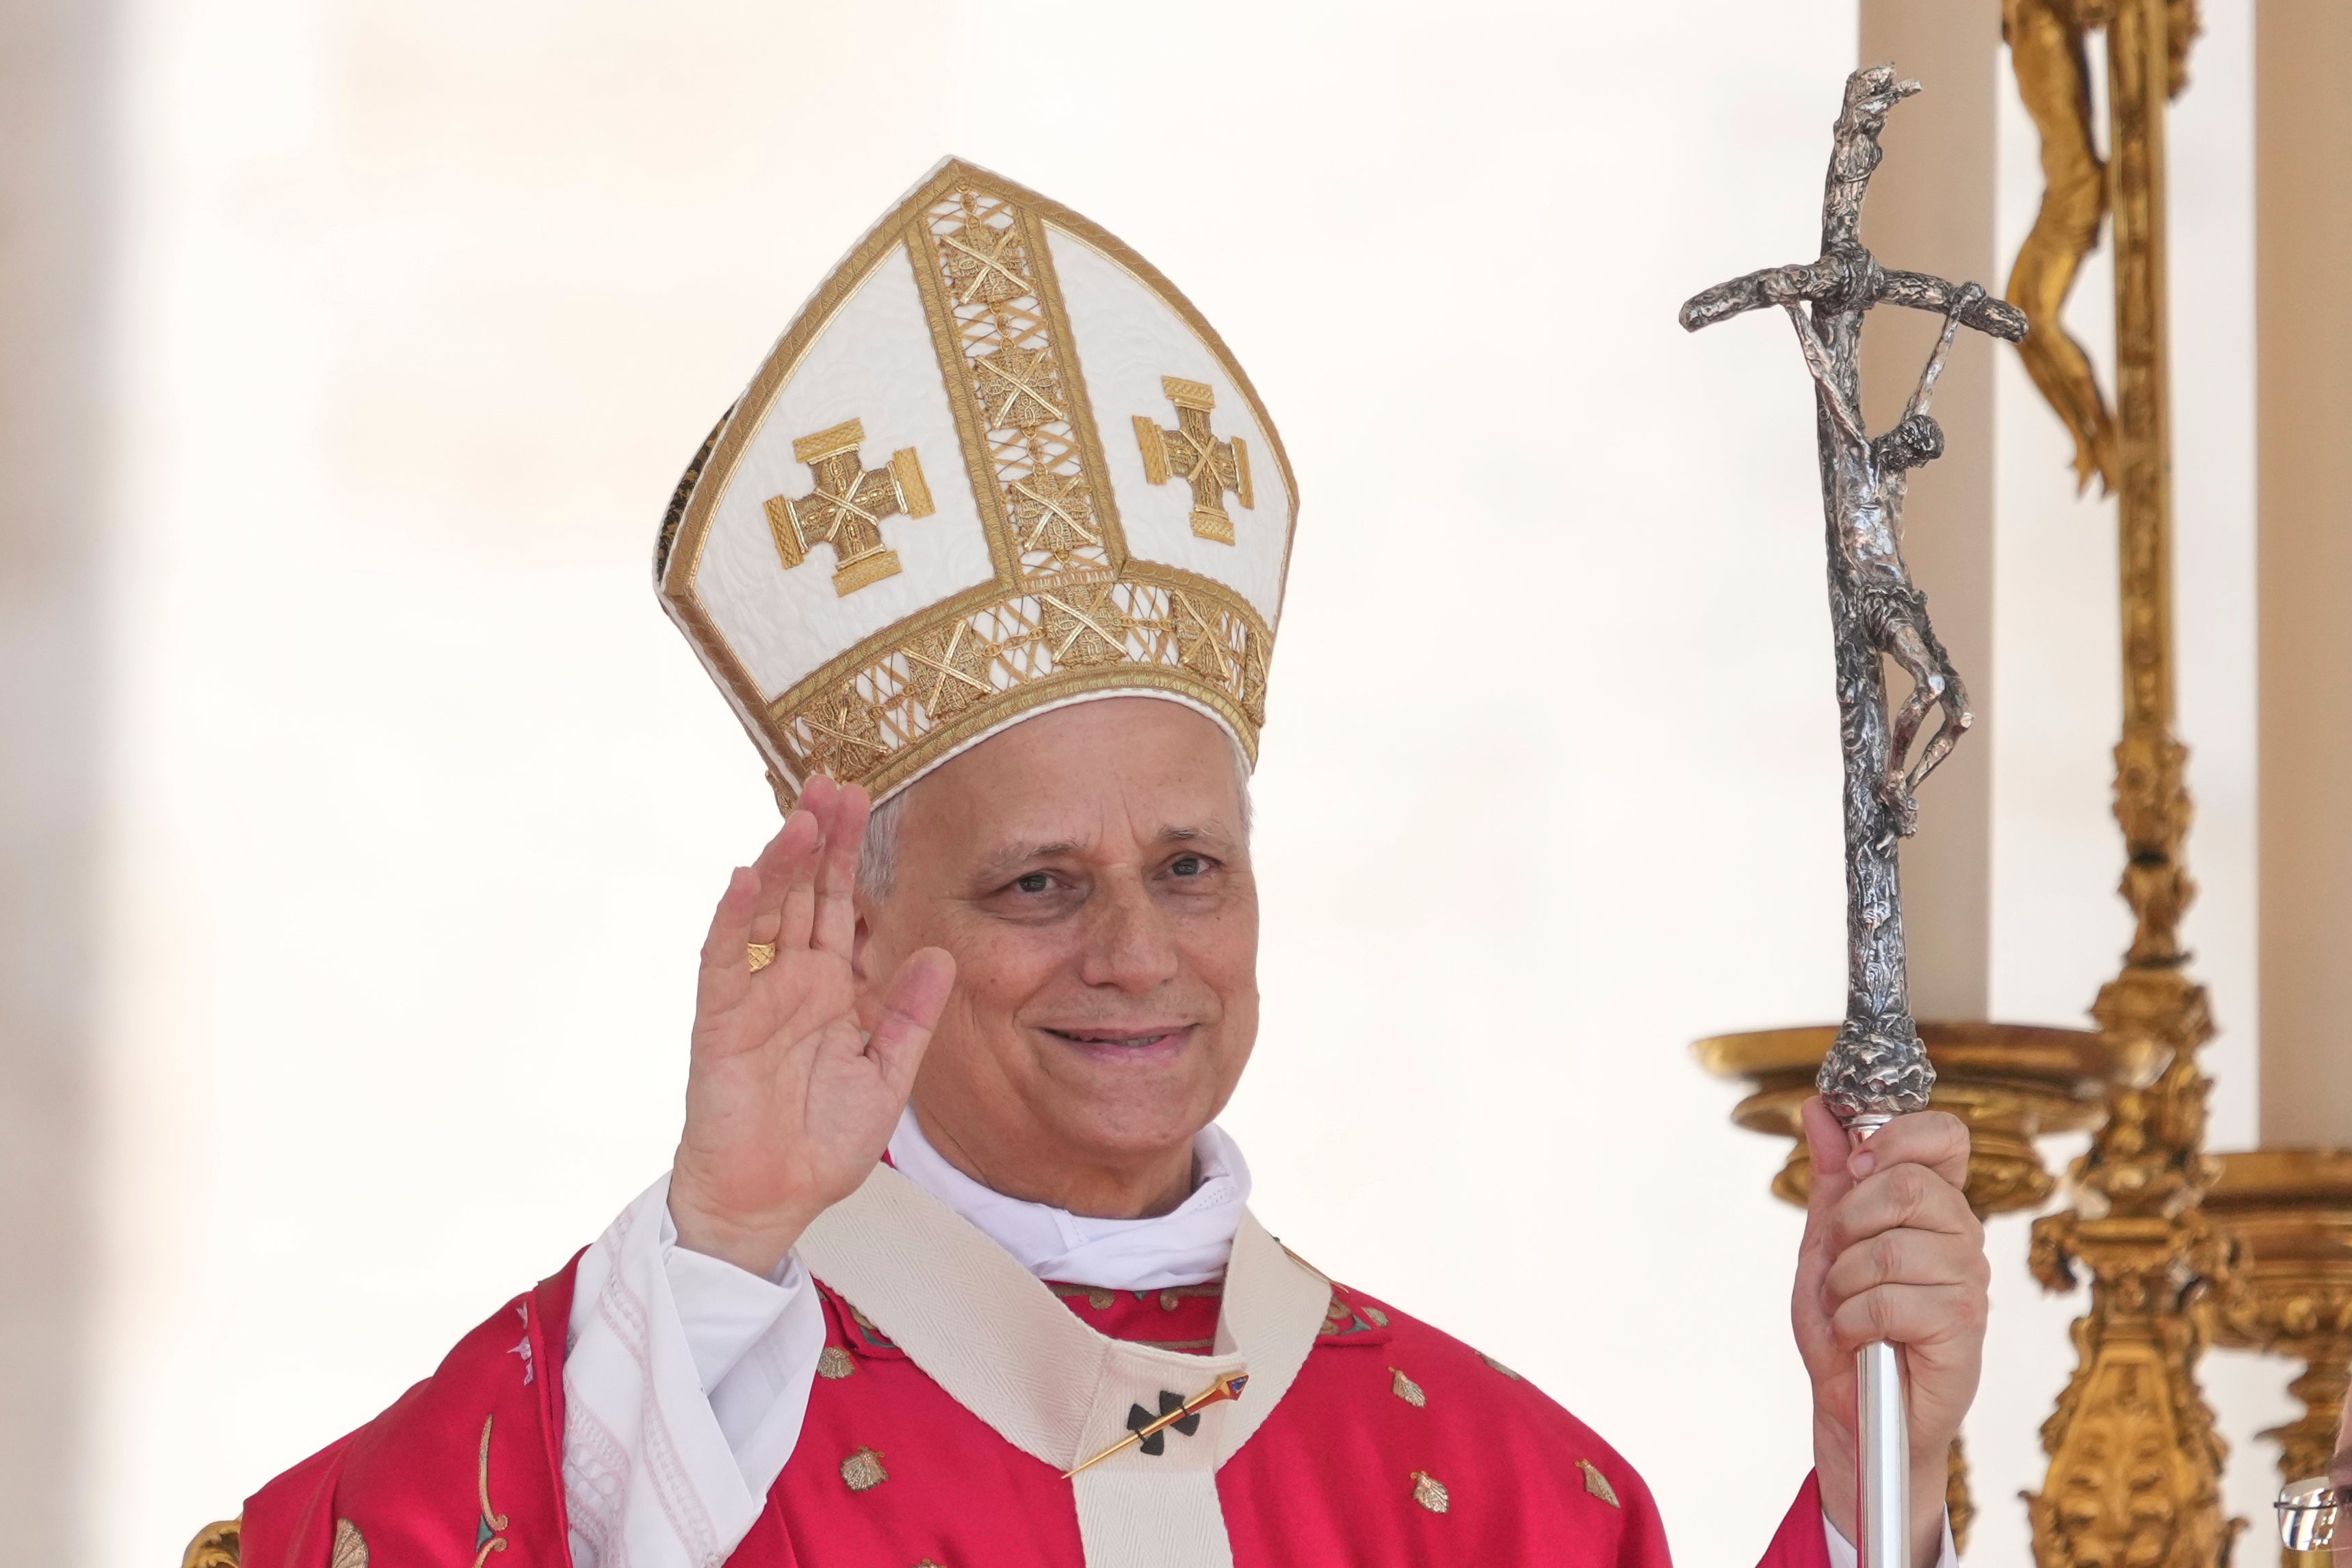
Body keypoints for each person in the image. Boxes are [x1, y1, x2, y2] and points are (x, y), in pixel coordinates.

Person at [235, 160, 1985, 1568]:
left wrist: (1865, 1491)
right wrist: (720, 1243)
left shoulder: (1504, 1491)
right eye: (1037, 885)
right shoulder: (696, 1424)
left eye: (1191, 868)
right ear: (864, 938)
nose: (1137, 953)